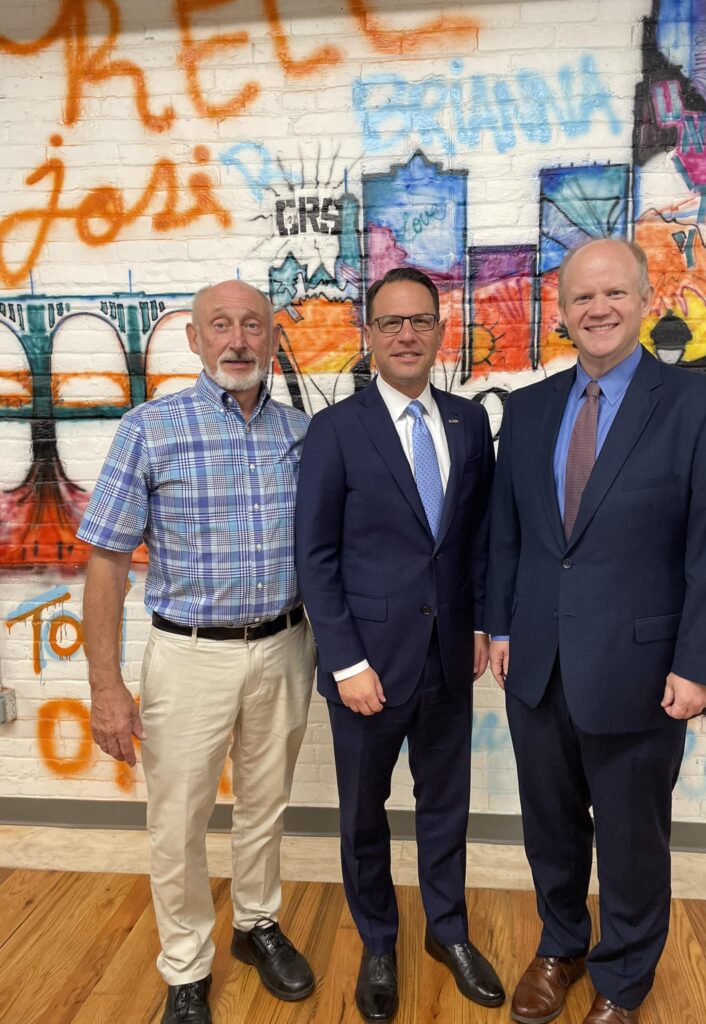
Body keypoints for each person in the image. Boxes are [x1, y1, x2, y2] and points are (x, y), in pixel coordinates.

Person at [486, 237, 706, 1024]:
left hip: (642, 671)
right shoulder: (532, 410)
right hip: (537, 665)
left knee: (634, 841)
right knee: (550, 825)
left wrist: (702, 664)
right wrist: (501, 626)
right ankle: (562, 944)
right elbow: (511, 534)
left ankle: (624, 979)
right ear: (561, 312)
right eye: (581, 298)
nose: (597, 309)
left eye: (614, 294)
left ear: (646, 301)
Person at [78, 280, 317, 1024]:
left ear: (273, 339)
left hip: (285, 645)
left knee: (266, 805)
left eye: (253, 325)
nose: (238, 340)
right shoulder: (149, 429)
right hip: (187, 656)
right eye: (221, 325)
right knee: (178, 821)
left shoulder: (301, 434)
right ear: (194, 339)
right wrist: (106, 688)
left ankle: (256, 925)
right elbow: (106, 563)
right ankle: (185, 966)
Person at [295, 267, 503, 1022]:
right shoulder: (336, 430)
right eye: (391, 323)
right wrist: (345, 660)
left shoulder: (467, 422)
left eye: (420, 321)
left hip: (449, 658)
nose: (407, 334)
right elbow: (315, 556)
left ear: (441, 331)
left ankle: (446, 931)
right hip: (367, 670)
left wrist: (481, 622)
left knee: (446, 808)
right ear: (370, 337)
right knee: (363, 815)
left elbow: (476, 538)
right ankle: (379, 938)